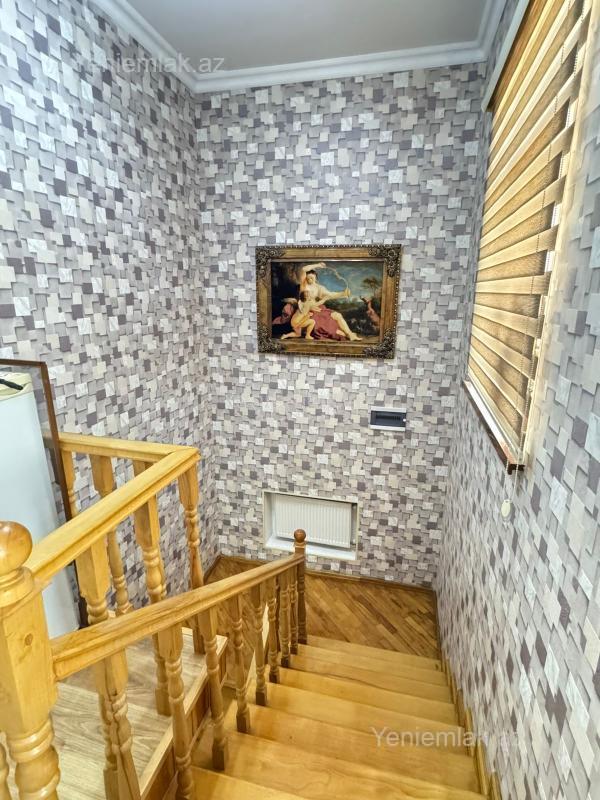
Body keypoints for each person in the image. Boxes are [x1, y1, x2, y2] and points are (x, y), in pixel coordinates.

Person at [297, 263, 362, 341]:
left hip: (318, 308)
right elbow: (304, 269)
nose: (310, 280)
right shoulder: (304, 286)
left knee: (338, 315)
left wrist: (343, 293)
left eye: (312, 278)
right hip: (308, 311)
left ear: (315, 278)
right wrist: (318, 265)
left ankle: (350, 335)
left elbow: (330, 295)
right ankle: (344, 334)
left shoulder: (319, 287)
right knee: (329, 328)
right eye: (308, 278)